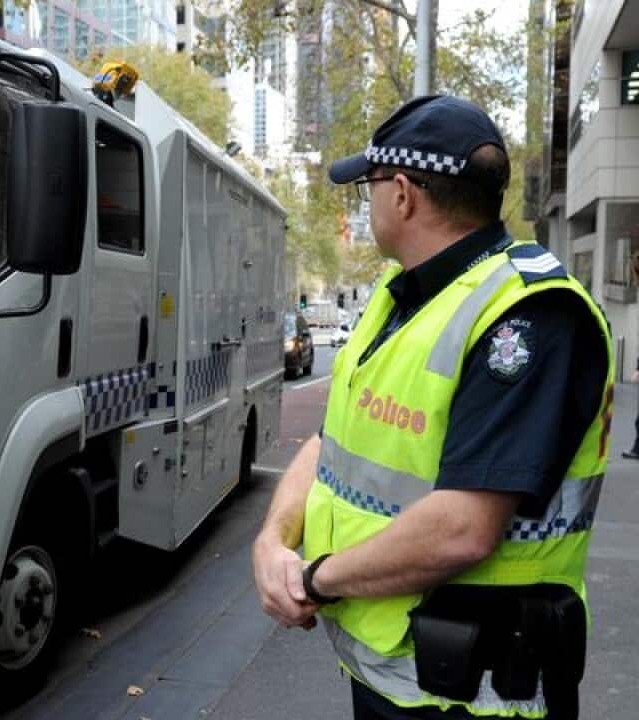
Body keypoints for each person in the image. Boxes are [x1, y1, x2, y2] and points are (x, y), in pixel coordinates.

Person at [251, 95, 613, 720]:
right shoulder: (402, 298)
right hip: (395, 674)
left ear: (402, 193)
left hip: (481, 695)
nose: (366, 205)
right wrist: (274, 543)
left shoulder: (528, 317)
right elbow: (330, 440)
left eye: (366, 187)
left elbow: (463, 527)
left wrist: (312, 581)